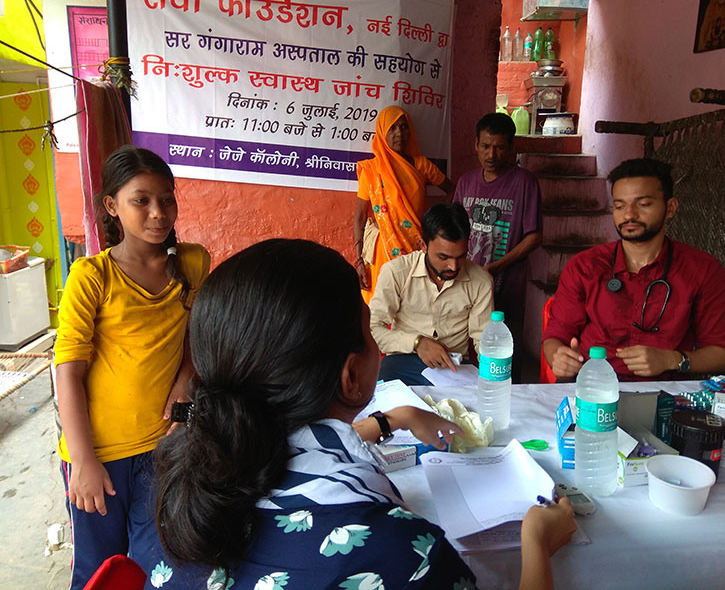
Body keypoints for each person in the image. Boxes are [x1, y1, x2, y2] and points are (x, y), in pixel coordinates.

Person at [138, 238, 575, 590]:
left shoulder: (184, 504)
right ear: (350, 377)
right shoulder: (402, 556)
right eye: (369, 334)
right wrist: (537, 542)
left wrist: (395, 418)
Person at [54, 145, 210, 589]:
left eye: (167, 199)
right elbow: (68, 372)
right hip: (99, 453)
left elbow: (196, 336)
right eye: (141, 200)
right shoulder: (93, 276)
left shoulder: (193, 263)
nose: (158, 213)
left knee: (159, 564)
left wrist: (185, 383)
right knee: (100, 570)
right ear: (112, 206)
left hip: (163, 446)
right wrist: (83, 461)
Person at [543, 158, 725, 381]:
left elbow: (723, 353)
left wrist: (671, 359)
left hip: (665, 390)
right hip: (592, 386)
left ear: (670, 208)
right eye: (619, 206)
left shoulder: (703, 270)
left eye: (643, 204)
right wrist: (558, 358)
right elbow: (554, 338)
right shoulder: (584, 267)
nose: (629, 215)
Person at [453, 112, 543, 382]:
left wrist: (496, 267)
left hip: (507, 285)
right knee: (466, 345)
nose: (491, 154)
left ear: (511, 147)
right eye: (485, 146)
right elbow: (453, 227)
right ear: (476, 145)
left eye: (500, 147)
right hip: (466, 282)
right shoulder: (466, 182)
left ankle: (508, 395)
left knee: (504, 348)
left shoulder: (525, 182)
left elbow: (534, 236)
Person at [370, 203, 494, 386]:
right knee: (385, 397)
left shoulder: (481, 281)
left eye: (461, 256)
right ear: (423, 245)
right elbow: (372, 329)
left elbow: (484, 339)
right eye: (443, 257)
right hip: (402, 362)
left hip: (455, 367)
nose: (453, 266)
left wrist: (492, 376)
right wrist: (416, 342)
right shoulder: (396, 273)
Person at [354, 105, 455, 303]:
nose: (399, 133)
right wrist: (359, 261)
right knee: (381, 306)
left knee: (413, 303)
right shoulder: (372, 170)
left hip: (416, 248)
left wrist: (437, 220)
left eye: (404, 127)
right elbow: (360, 217)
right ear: (382, 132)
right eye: (392, 128)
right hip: (382, 250)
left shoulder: (421, 166)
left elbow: (453, 190)